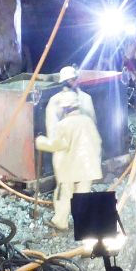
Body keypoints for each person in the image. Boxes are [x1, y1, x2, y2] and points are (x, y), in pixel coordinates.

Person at [36, 99, 103, 232]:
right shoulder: (88, 121)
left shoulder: (63, 124)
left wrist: (41, 142)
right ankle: (83, 224)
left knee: (64, 195)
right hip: (88, 168)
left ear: (65, 110)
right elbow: (97, 141)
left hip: (70, 168)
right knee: (82, 195)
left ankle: (60, 222)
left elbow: (57, 144)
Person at [45, 65, 97, 137]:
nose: (73, 82)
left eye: (74, 79)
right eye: (69, 80)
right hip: (66, 141)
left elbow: (93, 122)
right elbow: (52, 127)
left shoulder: (86, 98)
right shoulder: (55, 100)